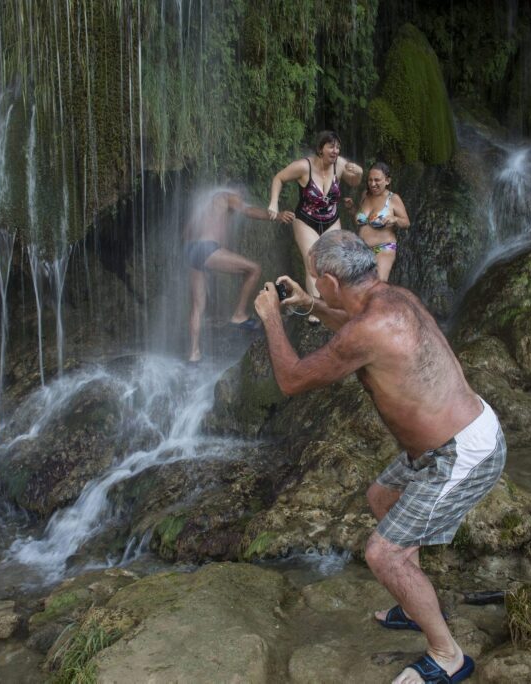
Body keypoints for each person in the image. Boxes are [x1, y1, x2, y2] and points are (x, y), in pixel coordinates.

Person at [254, 231, 505, 684]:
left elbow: (292, 379)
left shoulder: (370, 326)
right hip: (443, 443)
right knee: (382, 496)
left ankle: (447, 655)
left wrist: (272, 317)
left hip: (463, 451)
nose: (314, 285)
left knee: (384, 554)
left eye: (314, 280)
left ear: (331, 281)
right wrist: (309, 306)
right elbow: (353, 326)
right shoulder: (391, 298)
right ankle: (416, 603)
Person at [185, 187, 294, 363]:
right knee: (254, 269)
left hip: (192, 251)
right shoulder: (229, 195)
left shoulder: (203, 206)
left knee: (197, 306)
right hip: (207, 249)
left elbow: (187, 233)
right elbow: (248, 210)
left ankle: (194, 354)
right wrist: (277, 216)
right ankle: (239, 315)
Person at [267, 130, 363, 323]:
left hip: (331, 219)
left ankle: (333, 303)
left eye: (338, 147)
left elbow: (354, 182)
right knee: (312, 260)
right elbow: (279, 178)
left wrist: (359, 173)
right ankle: (314, 309)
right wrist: (273, 203)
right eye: (331, 147)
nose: (335, 151)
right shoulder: (304, 166)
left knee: (334, 262)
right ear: (320, 149)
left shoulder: (340, 164)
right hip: (305, 220)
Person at [348, 162, 410, 282]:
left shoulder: (393, 198)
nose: (372, 184)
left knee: (377, 284)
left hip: (383, 248)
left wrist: (395, 219)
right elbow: (362, 223)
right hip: (361, 249)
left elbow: (406, 222)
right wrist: (352, 209)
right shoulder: (365, 195)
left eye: (377, 180)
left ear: (387, 181)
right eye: (370, 180)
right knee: (357, 286)